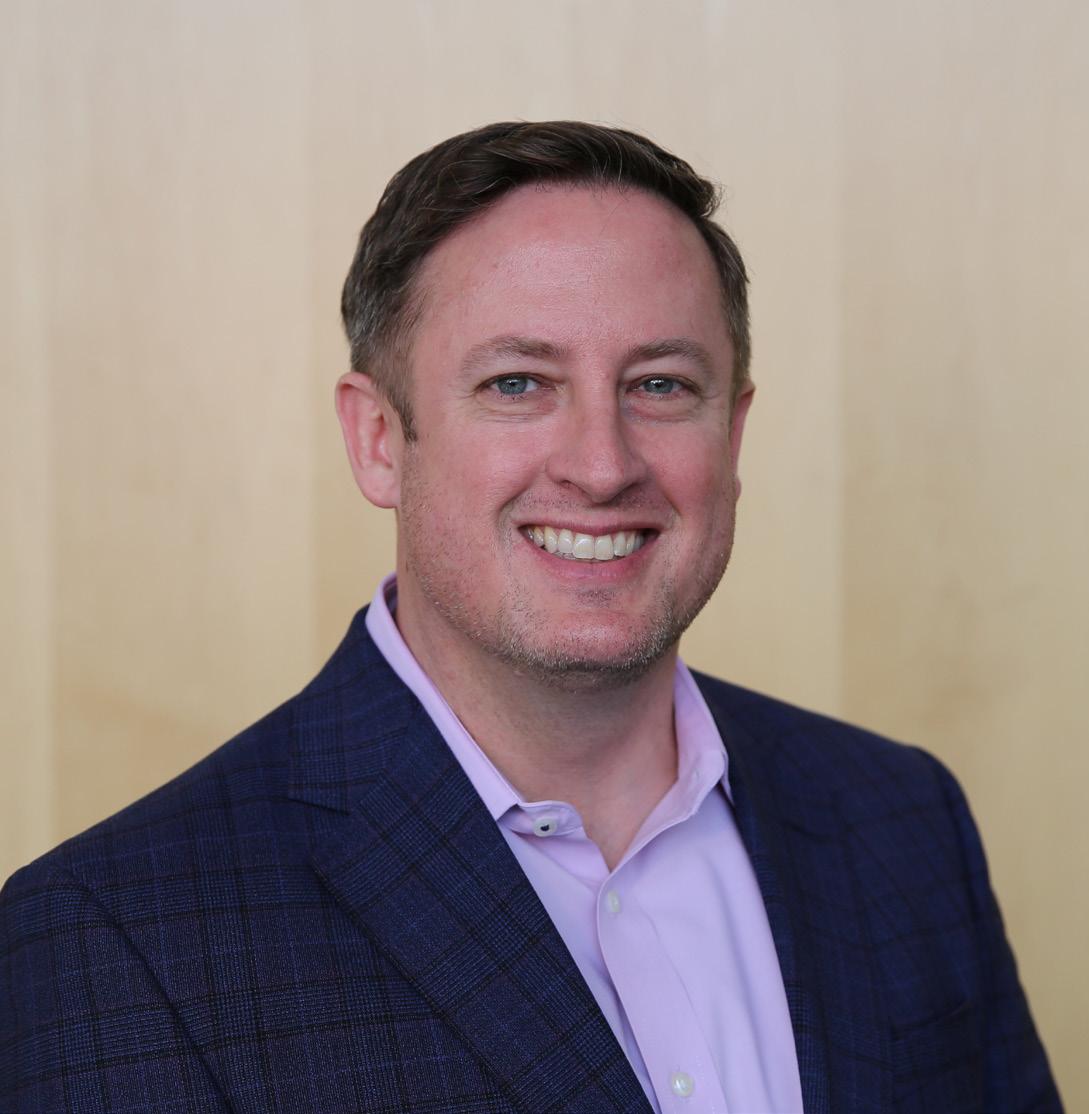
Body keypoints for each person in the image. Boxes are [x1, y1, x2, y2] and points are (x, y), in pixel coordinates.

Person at [0, 121, 1061, 1114]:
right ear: (378, 440)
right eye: (517, 383)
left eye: (660, 385)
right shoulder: (111, 941)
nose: (601, 465)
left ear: (733, 436)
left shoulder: (901, 822)